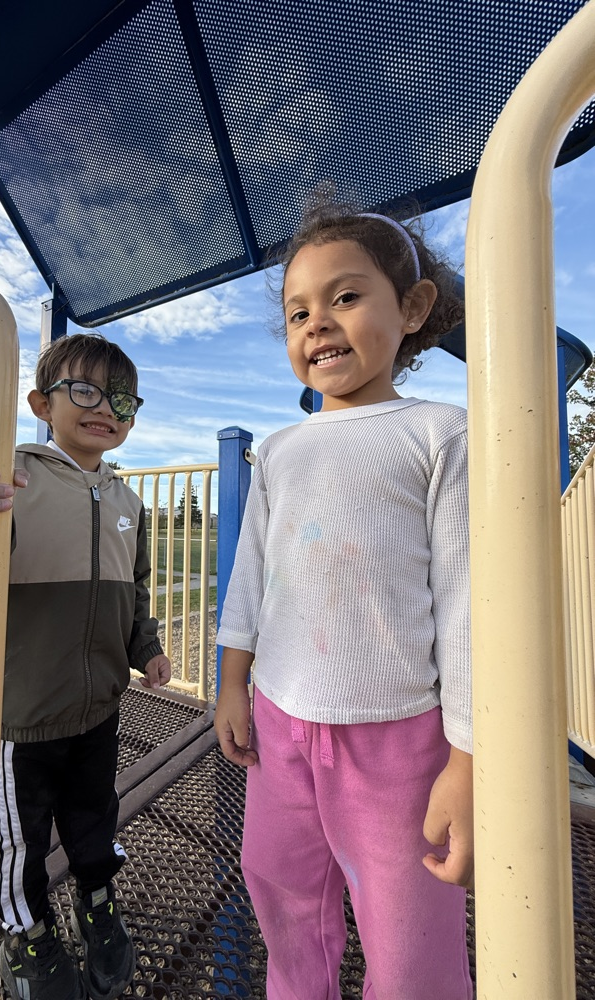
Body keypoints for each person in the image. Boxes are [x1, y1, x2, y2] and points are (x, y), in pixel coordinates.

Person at [214, 191, 473, 1000]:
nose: (317, 323)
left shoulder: (440, 432)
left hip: (397, 737)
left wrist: (469, 754)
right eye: (298, 313)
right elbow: (252, 575)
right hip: (281, 724)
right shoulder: (283, 450)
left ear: (414, 308)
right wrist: (230, 682)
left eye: (346, 297)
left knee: (407, 928)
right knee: (281, 888)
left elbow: (467, 599)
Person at [0, 333, 171, 1000]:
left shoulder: (129, 503)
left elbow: (136, 591)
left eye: (122, 399)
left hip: (100, 707)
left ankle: (98, 901)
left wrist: (147, 649)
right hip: (23, 710)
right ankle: (26, 931)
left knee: (94, 817)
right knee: (20, 840)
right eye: (86, 390)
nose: (106, 407)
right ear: (42, 401)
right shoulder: (11, 472)